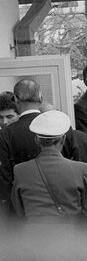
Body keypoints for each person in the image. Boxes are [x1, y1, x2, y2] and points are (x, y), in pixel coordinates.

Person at [11, 110, 87, 254]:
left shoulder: (20, 170)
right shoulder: (79, 169)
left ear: (37, 140)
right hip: (68, 242)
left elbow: (18, 209)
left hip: (32, 242)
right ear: (63, 140)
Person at [0, 79, 43, 216]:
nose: (4, 122)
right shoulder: (57, 128)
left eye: (9, 117)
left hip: (20, 209)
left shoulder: (6, 135)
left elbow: (5, 178)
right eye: (0, 118)